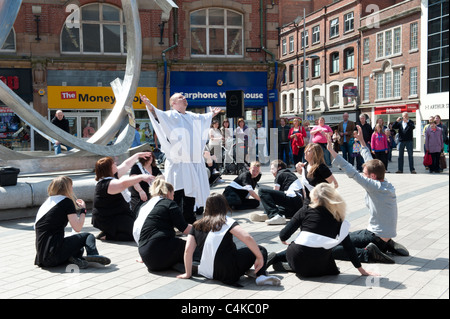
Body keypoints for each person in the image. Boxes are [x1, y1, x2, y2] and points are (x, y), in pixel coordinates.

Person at [327, 125, 409, 264]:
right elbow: (370, 161)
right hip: (383, 234)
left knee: (333, 246)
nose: (362, 176)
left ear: (372, 176)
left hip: (374, 236)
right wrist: (362, 142)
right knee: (344, 237)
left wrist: (331, 150)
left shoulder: (374, 186)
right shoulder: (385, 183)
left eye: (364, 174)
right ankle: (387, 244)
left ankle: (369, 254)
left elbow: (351, 171)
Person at [140, 93, 221, 224]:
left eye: (184, 97)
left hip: (192, 162)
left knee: (192, 190)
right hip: (178, 162)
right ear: (173, 104)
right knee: (177, 191)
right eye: (180, 97)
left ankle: (189, 220)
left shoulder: (191, 115)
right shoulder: (171, 115)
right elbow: (157, 114)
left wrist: (212, 115)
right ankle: (176, 222)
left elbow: (203, 118)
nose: (184, 98)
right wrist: (149, 105)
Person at [267, 183, 377, 278]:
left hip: (296, 256)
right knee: (334, 270)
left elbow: (284, 234)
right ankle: (292, 265)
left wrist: (283, 239)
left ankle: (280, 261)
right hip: (319, 262)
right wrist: (361, 270)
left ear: (314, 198)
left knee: (299, 248)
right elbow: (349, 247)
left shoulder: (305, 210)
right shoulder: (338, 219)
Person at [177, 193, 280, 287]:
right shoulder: (226, 221)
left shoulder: (196, 225)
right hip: (229, 274)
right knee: (260, 249)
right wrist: (259, 257)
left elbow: (188, 251)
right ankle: (260, 276)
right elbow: (247, 238)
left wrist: (188, 274)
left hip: (206, 272)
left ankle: (250, 271)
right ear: (224, 205)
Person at [34, 176, 110, 269]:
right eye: (71, 186)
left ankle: (74, 258)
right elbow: (77, 228)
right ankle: (93, 255)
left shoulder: (46, 204)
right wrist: (83, 210)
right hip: (54, 255)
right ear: (66, 188)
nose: (72, 188)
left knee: (78, 247)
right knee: (88, 236)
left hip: (42, 258)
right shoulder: (66, 202)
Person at [92, 152, 154, 241]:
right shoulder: (105, 184)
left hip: (120, 214)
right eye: (113, 164)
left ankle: (109, 231)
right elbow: (123, 183)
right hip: (108, 219)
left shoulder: (112, 176)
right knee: (137, 235)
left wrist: (137, 155)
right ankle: (107, 235)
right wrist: (141, 177)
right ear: (108, 169)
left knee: (141, 228)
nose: (116, 164)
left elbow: (126, 165)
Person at [133, 178, 192, 272]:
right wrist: (202, 230)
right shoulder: (169, 204)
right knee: (191, 246)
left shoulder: (144, 206)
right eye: (173, 195)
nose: (173, 197)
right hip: (160, 250)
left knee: (175, 244)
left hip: (146, 255)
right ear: (168, 193)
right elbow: (184, 228)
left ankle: (174, 263)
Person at [254, 160, 304, 225]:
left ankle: (274, 215)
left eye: (272, 169)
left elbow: (275, 191)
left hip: (293, 199)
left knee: (262, 191)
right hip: (297, 207)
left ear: (279, 168)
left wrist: (266, 202)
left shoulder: (280, 174)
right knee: (279, 208)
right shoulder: (290, 174)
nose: (271, 171)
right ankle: (273, 214)